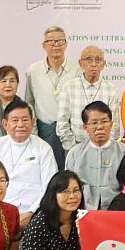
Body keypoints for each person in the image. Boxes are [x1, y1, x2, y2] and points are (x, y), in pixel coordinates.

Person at [0, 100, 57, 228]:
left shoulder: (43, 148)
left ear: (33, 122)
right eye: (15, 120)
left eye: (25, 120)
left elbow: (50, 186)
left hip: (35, 213)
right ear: (5, 124)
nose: (21, 125)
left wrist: (31, 213)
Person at [25, 25, 81, 170]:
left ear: (66, 44)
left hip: (70, 131)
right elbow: (29, 102)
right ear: (43, 45)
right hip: (45, 130)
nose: (56, 45)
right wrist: (34, 132)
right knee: (47, 171)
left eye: (60, 41)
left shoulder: (77, 69)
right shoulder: (33, 71)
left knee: (70, 171)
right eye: (51, 41)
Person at [65, 101, 125, 210]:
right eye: (94, 122)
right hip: (83, 210)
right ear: (85, 127)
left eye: (104, 121)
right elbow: (68, 186)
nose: (100, 127)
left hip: (118, 210)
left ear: (111, 124)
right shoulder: (75, 153)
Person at [56, 45, 120, 152]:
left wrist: (105, 148)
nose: (94, 64)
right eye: (89, 60)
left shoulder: (111, 89)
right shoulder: (69, 87)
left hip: (104, 149)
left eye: (98, 60)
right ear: (81, 64)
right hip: (75, 148)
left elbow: (115, 126)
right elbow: (62, 123)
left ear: (103, 64)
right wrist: (73, 149)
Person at [0, 65, 37, 150]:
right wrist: (3, 150)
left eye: (12, 81)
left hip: (24, 151)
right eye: (3, 81)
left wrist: (18, 148)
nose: (8, 85)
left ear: (18, 84)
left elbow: (33, 133)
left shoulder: (27, 107)